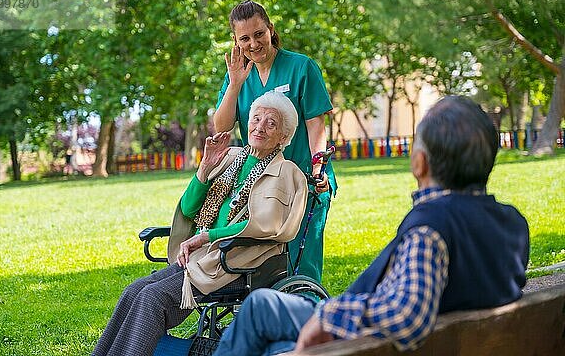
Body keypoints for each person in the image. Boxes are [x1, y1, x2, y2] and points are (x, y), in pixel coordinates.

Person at [213, 96, 530, 355]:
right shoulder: (513, 223)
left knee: (263, 318)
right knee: (267, 321)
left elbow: (407, 315)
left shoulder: (431, 228)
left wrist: (327, 317)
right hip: (425, 341)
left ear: (419, 163)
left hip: (362, 343)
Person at [92, 91, 308, 356]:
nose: (260, 127)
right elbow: (189, 208)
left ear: (284, 136)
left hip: (238, 264)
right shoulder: (231, 158)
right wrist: (205, 169)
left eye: (271, 123)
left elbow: (267, 225)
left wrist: (206, 237)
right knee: (133, 291)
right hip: (202, 258)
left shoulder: (285, 172)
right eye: (256, 118)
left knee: (153, 299)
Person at [213, 0, 337, 283]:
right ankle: (268, 318)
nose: (253, 44)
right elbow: (221, 127)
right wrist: (234, 85)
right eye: (244, 38)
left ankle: (304, 313)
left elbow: (316, 123)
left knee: (300, 262)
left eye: (259, 34)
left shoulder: (301, 67)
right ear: (236, 41)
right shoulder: (237, 76)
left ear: (270, 29)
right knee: (262, 261)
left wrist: (318, 168)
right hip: (262, 181)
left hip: (304, 178)